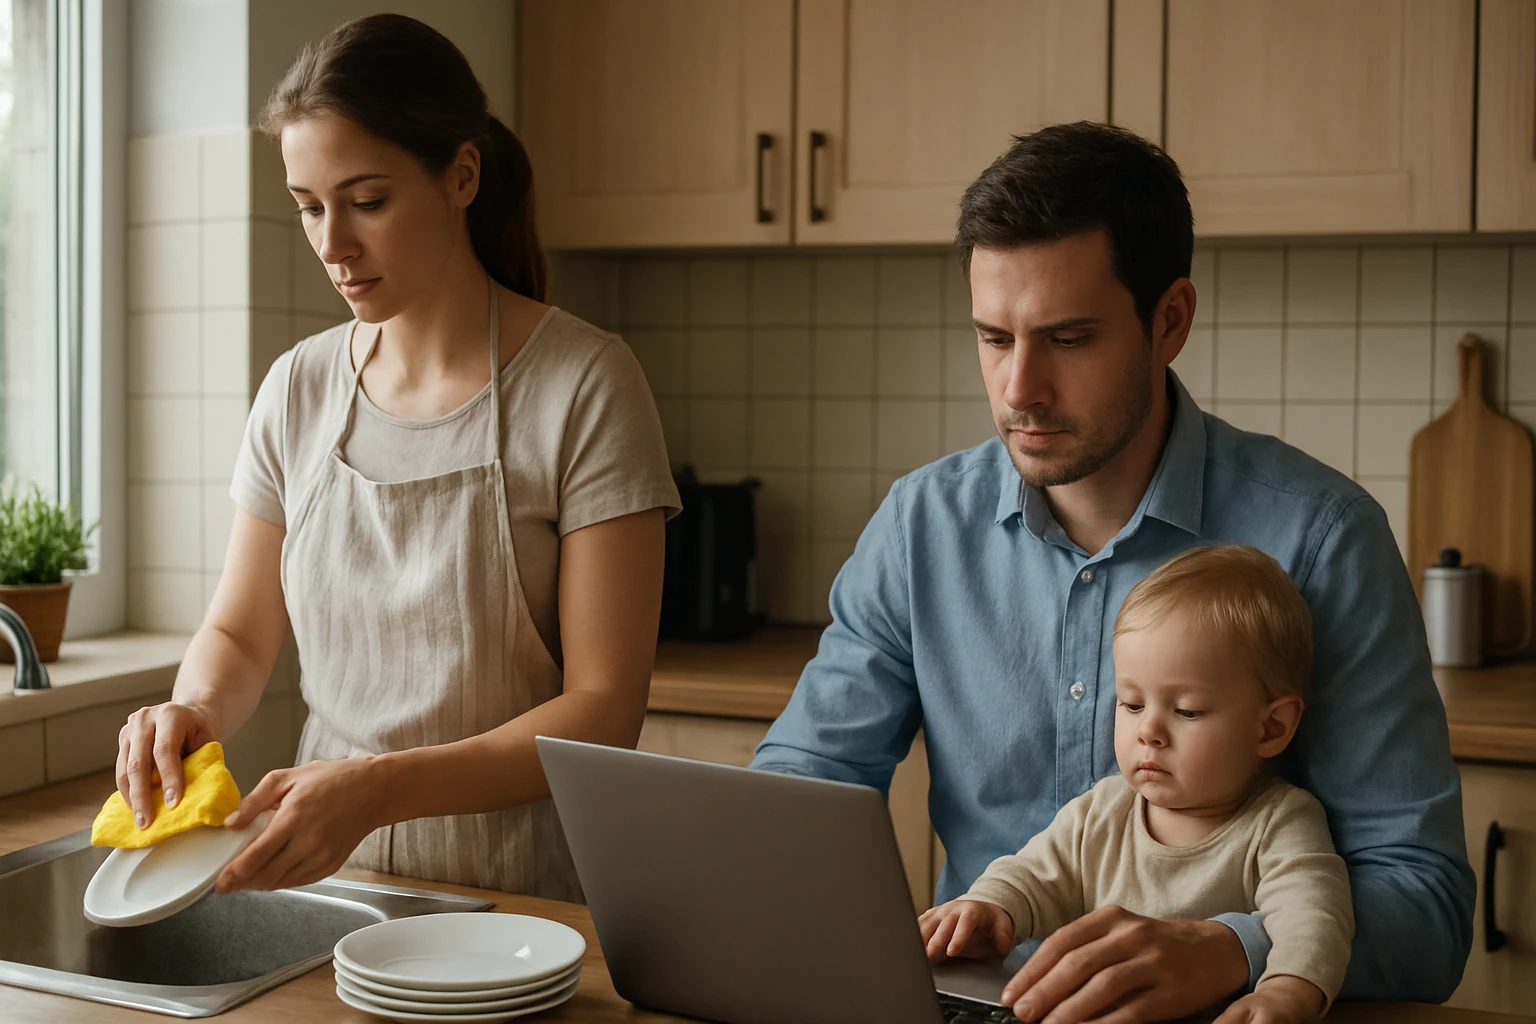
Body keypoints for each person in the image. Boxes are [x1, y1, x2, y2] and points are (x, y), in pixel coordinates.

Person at [750, 122, 1473, 1021]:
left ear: (1170, 321)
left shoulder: (1323, 539)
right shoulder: (920, 525)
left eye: (1068, 338)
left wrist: (1235, 951)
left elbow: (1427, 906)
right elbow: (799, 791)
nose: (1019, 389)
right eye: (993, 337)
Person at [113, 14, 679, 900]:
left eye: (366, 201)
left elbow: (604, 711)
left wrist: (378, 788)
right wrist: (195, 708)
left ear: (462, 175)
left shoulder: (585, 385)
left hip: (524, 902)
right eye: (309, 207)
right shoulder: (297, 390)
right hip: (331, 889)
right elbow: (238, 633)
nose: (332, 244)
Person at [921, 545, 1354, 1024]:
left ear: (1271, 728)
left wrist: (1288, 991)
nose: (1148, 731)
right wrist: (990, 907)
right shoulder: (1103, 810)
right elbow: (1032, 876)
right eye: (1131, 704)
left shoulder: (1280, 823)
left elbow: (1313, 918)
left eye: (1186, 710)